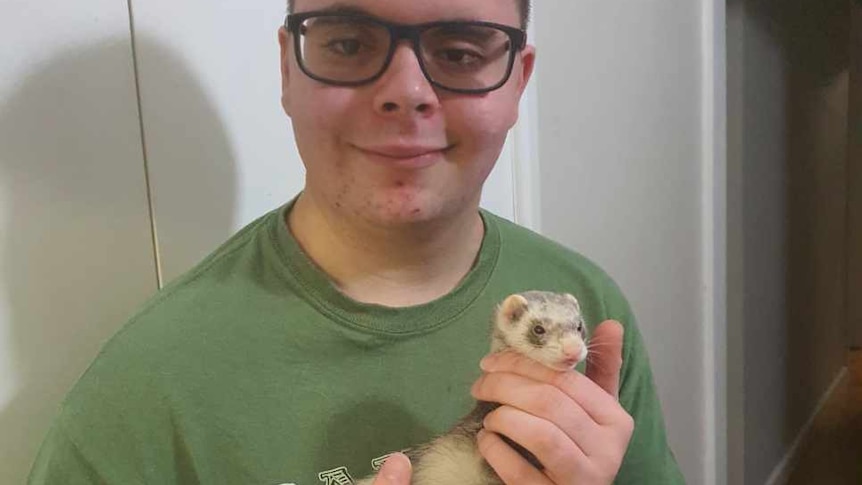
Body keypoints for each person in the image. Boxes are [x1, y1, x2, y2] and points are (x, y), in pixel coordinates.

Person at [28, 0, 684, 483]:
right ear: (288, 67)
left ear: (517, 81)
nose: (405, 92)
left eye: (460, 50)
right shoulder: (138, 399)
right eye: (348, 43)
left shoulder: (592, 313)